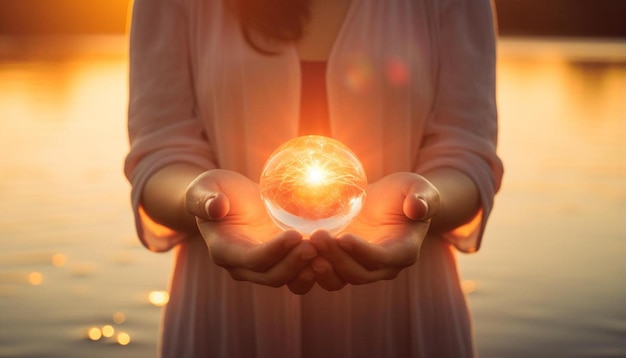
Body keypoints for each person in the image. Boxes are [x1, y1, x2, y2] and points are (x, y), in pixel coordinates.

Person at [124, 0, 504, 356]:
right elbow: (161, 153)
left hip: (404, 312)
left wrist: (421, 204)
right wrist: (204, 201)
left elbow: (465, 155)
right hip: (225, 315)